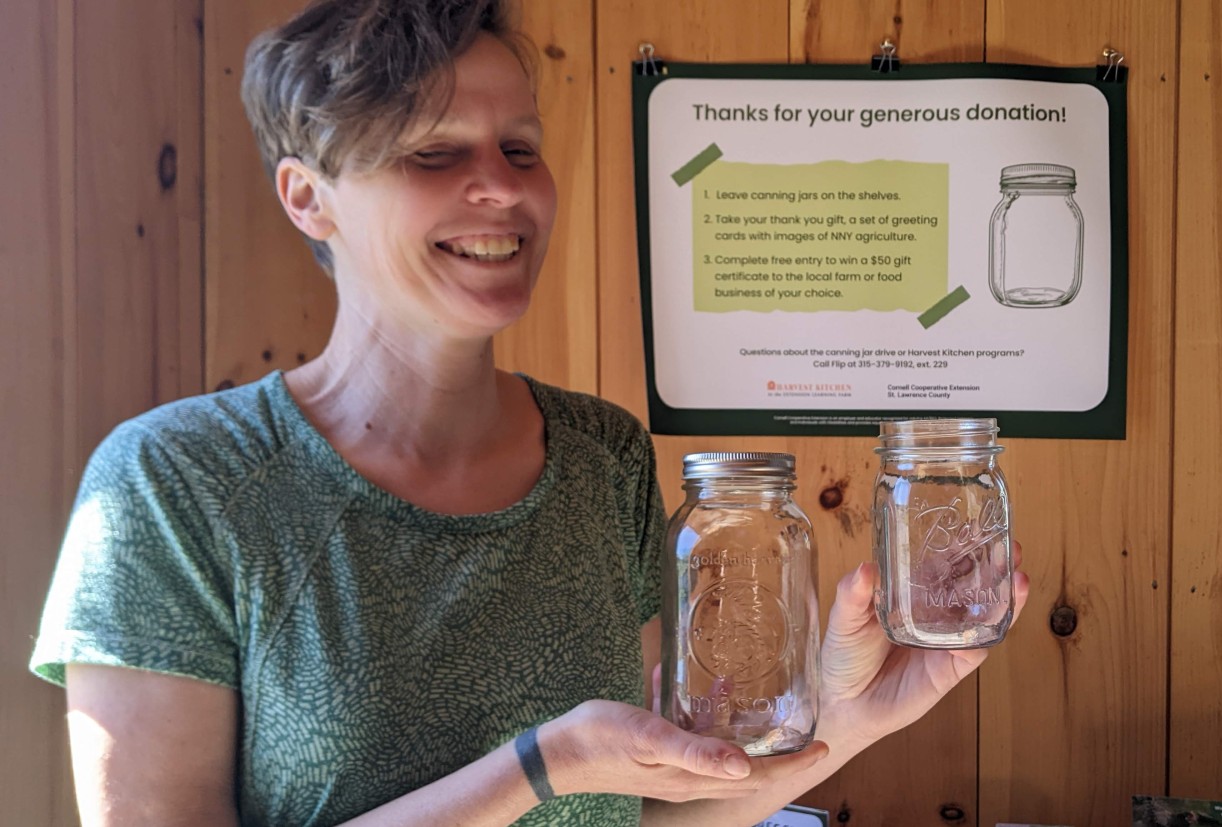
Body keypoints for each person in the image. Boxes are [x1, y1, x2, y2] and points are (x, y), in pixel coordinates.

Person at [29, 1, 1029, 825]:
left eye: (519, 147)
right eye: (432, 154)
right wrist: (534, 768)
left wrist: (863, 712)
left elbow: (662, 810)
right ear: (307, 198)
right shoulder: (173, 483)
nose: (499, 189)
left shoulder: (604, 457)